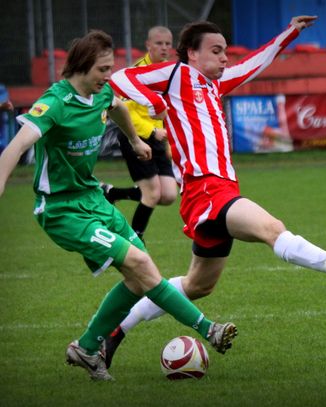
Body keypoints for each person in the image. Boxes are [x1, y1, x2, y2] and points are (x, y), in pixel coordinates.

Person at [104, 15, 326, 368]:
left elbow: (256, 62)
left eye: (226, 51)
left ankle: (114, 334)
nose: (225, 58)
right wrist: (154, 102)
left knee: (198, 285)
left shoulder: (215, 85)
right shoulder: (176, 74)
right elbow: (121, 78)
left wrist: (289, 32)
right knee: (272, 229)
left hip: (216, 193)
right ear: (192, 55)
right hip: (206, 190)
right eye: (216, 51)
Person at [0, 30, 236, 382]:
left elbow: (119, 106)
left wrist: (135, 140)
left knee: (141, 280)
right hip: (62, 211)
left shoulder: (102, 93)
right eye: (103, 70)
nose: (109, 77)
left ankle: (85, 348)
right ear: (81, 67)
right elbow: (15, 148)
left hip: (94, 200)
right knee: (140, 263)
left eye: (111, 68)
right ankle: (209, 329)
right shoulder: (54, 104)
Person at [101, 26, 177, 242]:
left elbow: (163, 113)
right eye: (159, 43)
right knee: (152, 194)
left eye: (167, 44)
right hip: (134, 138)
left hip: (158, 139)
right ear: (148, 45)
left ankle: (113, 193)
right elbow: (125, 114)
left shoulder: (167, 75)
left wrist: (167, 142)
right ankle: (136, 240)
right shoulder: (134, 75)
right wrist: (152, 131)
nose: (164, 48)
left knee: (169, 195)